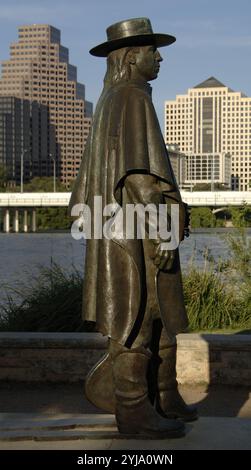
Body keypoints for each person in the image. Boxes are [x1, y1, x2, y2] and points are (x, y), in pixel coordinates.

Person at [69, 17, 197, 438]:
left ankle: (162, 397)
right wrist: (163, 228)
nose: (158, 58)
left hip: (126, 224)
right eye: (151, 51)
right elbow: (140, 176)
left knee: (157, 313)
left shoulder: (114, 99)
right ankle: (134, 412)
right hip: (137, 227)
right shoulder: (132, 98)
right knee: (138, 316)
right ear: (129, 57)